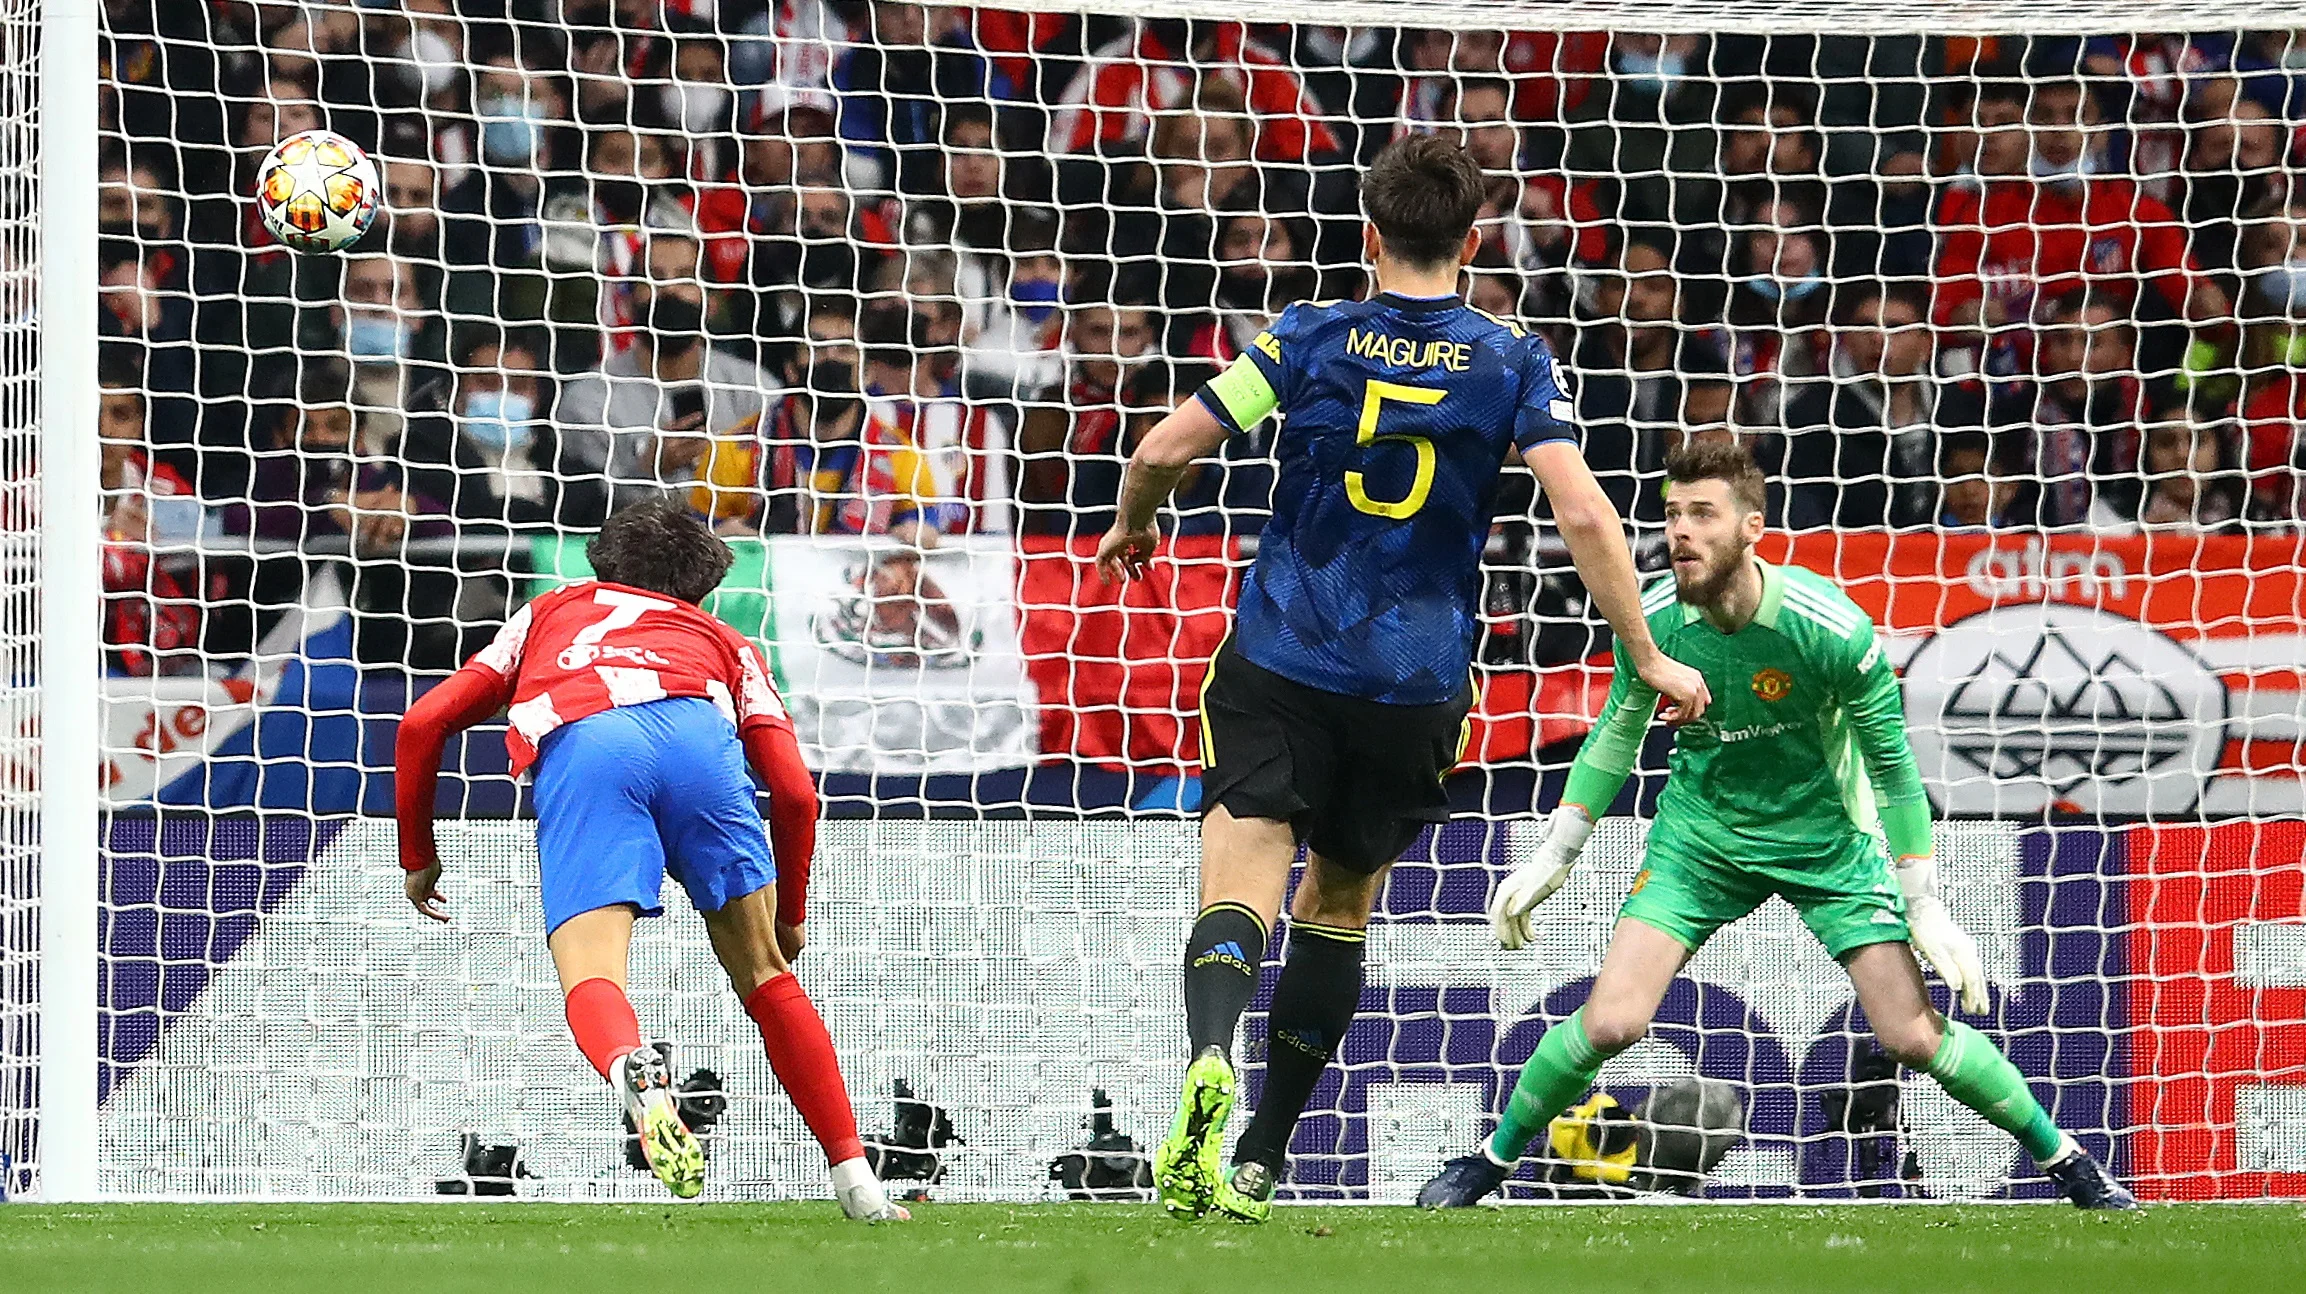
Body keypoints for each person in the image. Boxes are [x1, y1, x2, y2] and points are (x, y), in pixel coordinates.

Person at [1094, 134, 1710, 1223]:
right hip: (1413, 683)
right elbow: (1580, 511)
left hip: (1283, 656)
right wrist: (1647, 652)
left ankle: (1209, 1052)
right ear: (1472, 241)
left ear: (1368, 234)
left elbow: (1159, 450)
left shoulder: (1307, 334)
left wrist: (1134, 522)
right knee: (1336, 908)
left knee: (1239, 883)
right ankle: (1260, 1157)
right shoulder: (1510, 359)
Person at [1417, 441, 2135, 1211]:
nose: (1681, 531)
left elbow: (1893, 767)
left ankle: (2070, 1164)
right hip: (1701, 841)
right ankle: (1488, 1162)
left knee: (1911, 1036)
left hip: (1826, 842)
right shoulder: (1652, 620)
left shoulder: (1830, 629)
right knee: (1611, 1024)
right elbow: (1616, 734)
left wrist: (1922, 899)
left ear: (1752, 527)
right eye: (1672, 514)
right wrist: (1556, 851)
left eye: (1703, 514)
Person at [391, 500, 906, 1221]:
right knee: (766, 976)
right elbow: (795, 794)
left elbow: (422, 723)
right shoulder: (726, 641)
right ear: (702, 588)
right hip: (700, 744)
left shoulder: (550, 612)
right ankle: (857, 1181)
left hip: (591, 746)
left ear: (603, 563)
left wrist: (419, 855)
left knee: (594, 974)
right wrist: (789, 914)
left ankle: (628, 1064)